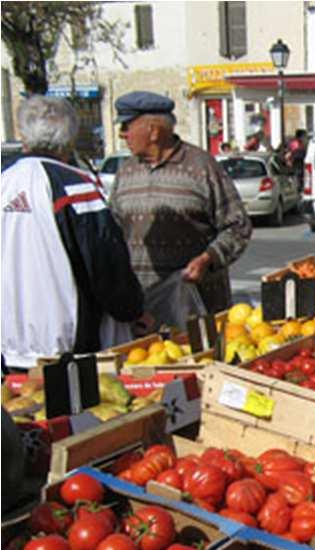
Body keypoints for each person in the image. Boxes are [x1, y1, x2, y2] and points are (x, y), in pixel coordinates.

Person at [1, 96, 144, 369]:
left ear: (23, 134)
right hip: (68, 345)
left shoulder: (5, 182)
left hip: (9, 345)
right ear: (70, 138)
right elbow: (105, 261)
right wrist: (132, 309)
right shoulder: (75, 186)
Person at [110, 91, 252, 325]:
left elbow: (238, 226)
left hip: (197, 308)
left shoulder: (201, 167)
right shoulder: (126, 171)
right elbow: (114, 231)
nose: (122, 133)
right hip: (143, 310)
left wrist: (208, 259)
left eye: (127, 125)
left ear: (154, 130)